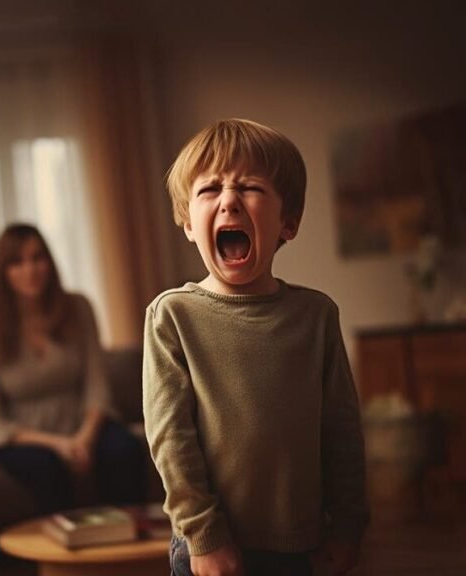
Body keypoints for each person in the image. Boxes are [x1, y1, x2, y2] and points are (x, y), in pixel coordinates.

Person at [143, 119, 369, 576]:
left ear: (288, 222)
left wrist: (348, 527)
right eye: (209, 190)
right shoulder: (172, 316)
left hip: (302, 544)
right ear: (188, 222)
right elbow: (171, 440)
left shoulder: (316, 316)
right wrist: (203, 534)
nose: (228, 200)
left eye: (249, 188)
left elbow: (342, 430)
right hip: (209, 544)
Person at [0, 223, 146, 514]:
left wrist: (84, 438)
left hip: (83, 425)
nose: (31, 269)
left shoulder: (79, 309)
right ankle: (65, 552)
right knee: (46, 468)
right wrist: (59, 445)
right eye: (17, 262)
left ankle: (128, 543)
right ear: (2, 273)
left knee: (123, 450)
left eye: (38, 258)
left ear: (49, 262)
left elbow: (97, 387)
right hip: (22, 438)